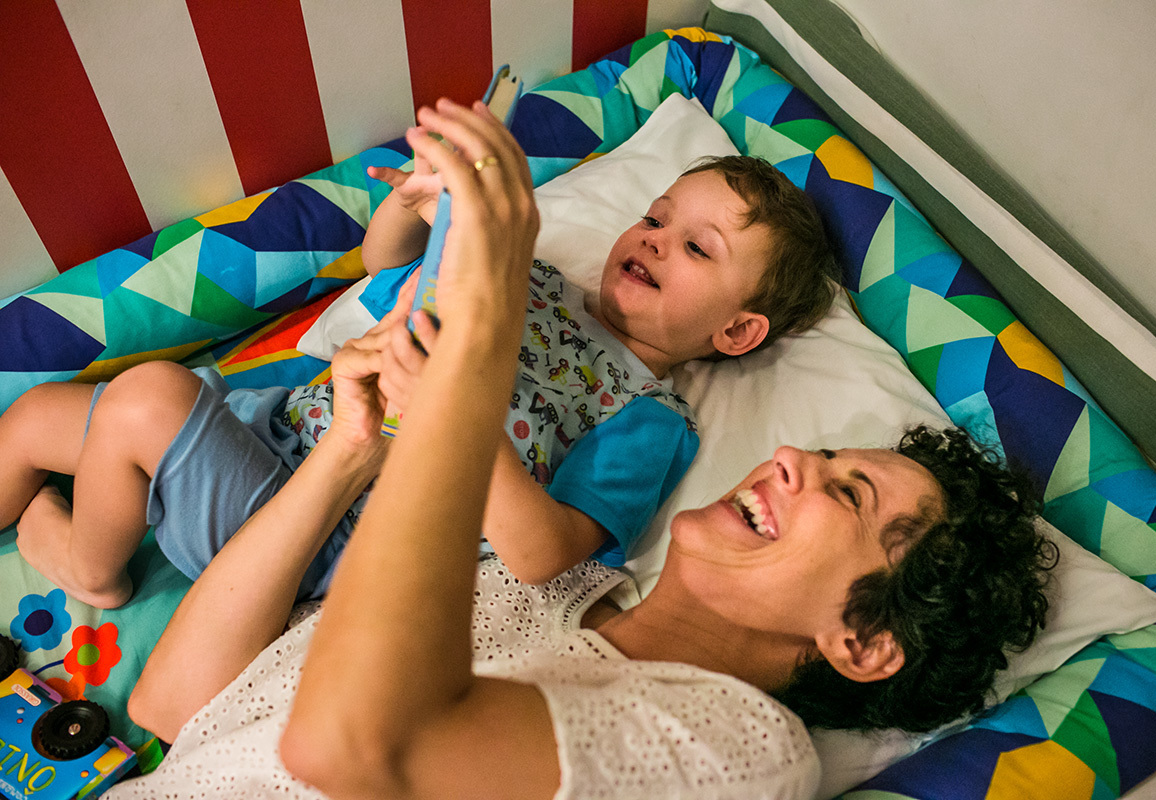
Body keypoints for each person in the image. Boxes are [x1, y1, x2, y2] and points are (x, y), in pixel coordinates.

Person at [110, 99, 1055, 799]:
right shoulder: (525, 585)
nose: (795, 460)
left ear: (862, 643)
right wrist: (348, 451)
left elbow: (353, 746)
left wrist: (466, 373)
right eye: (832, 459)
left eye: (847, 496)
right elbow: (171, 711)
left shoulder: (750, 753)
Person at [0, 121, 839, 608]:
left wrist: (459, 415)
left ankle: (92, 565)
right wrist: (415, 207)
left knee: (142, 402)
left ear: (735, 334)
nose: (654, 237)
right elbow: (383, 268)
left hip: (319, 530)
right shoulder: (529, 276)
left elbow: (548, 555)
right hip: (270, 426)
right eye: (657, 216)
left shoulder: (646, 417)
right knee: (36, 416)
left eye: (696, 247)